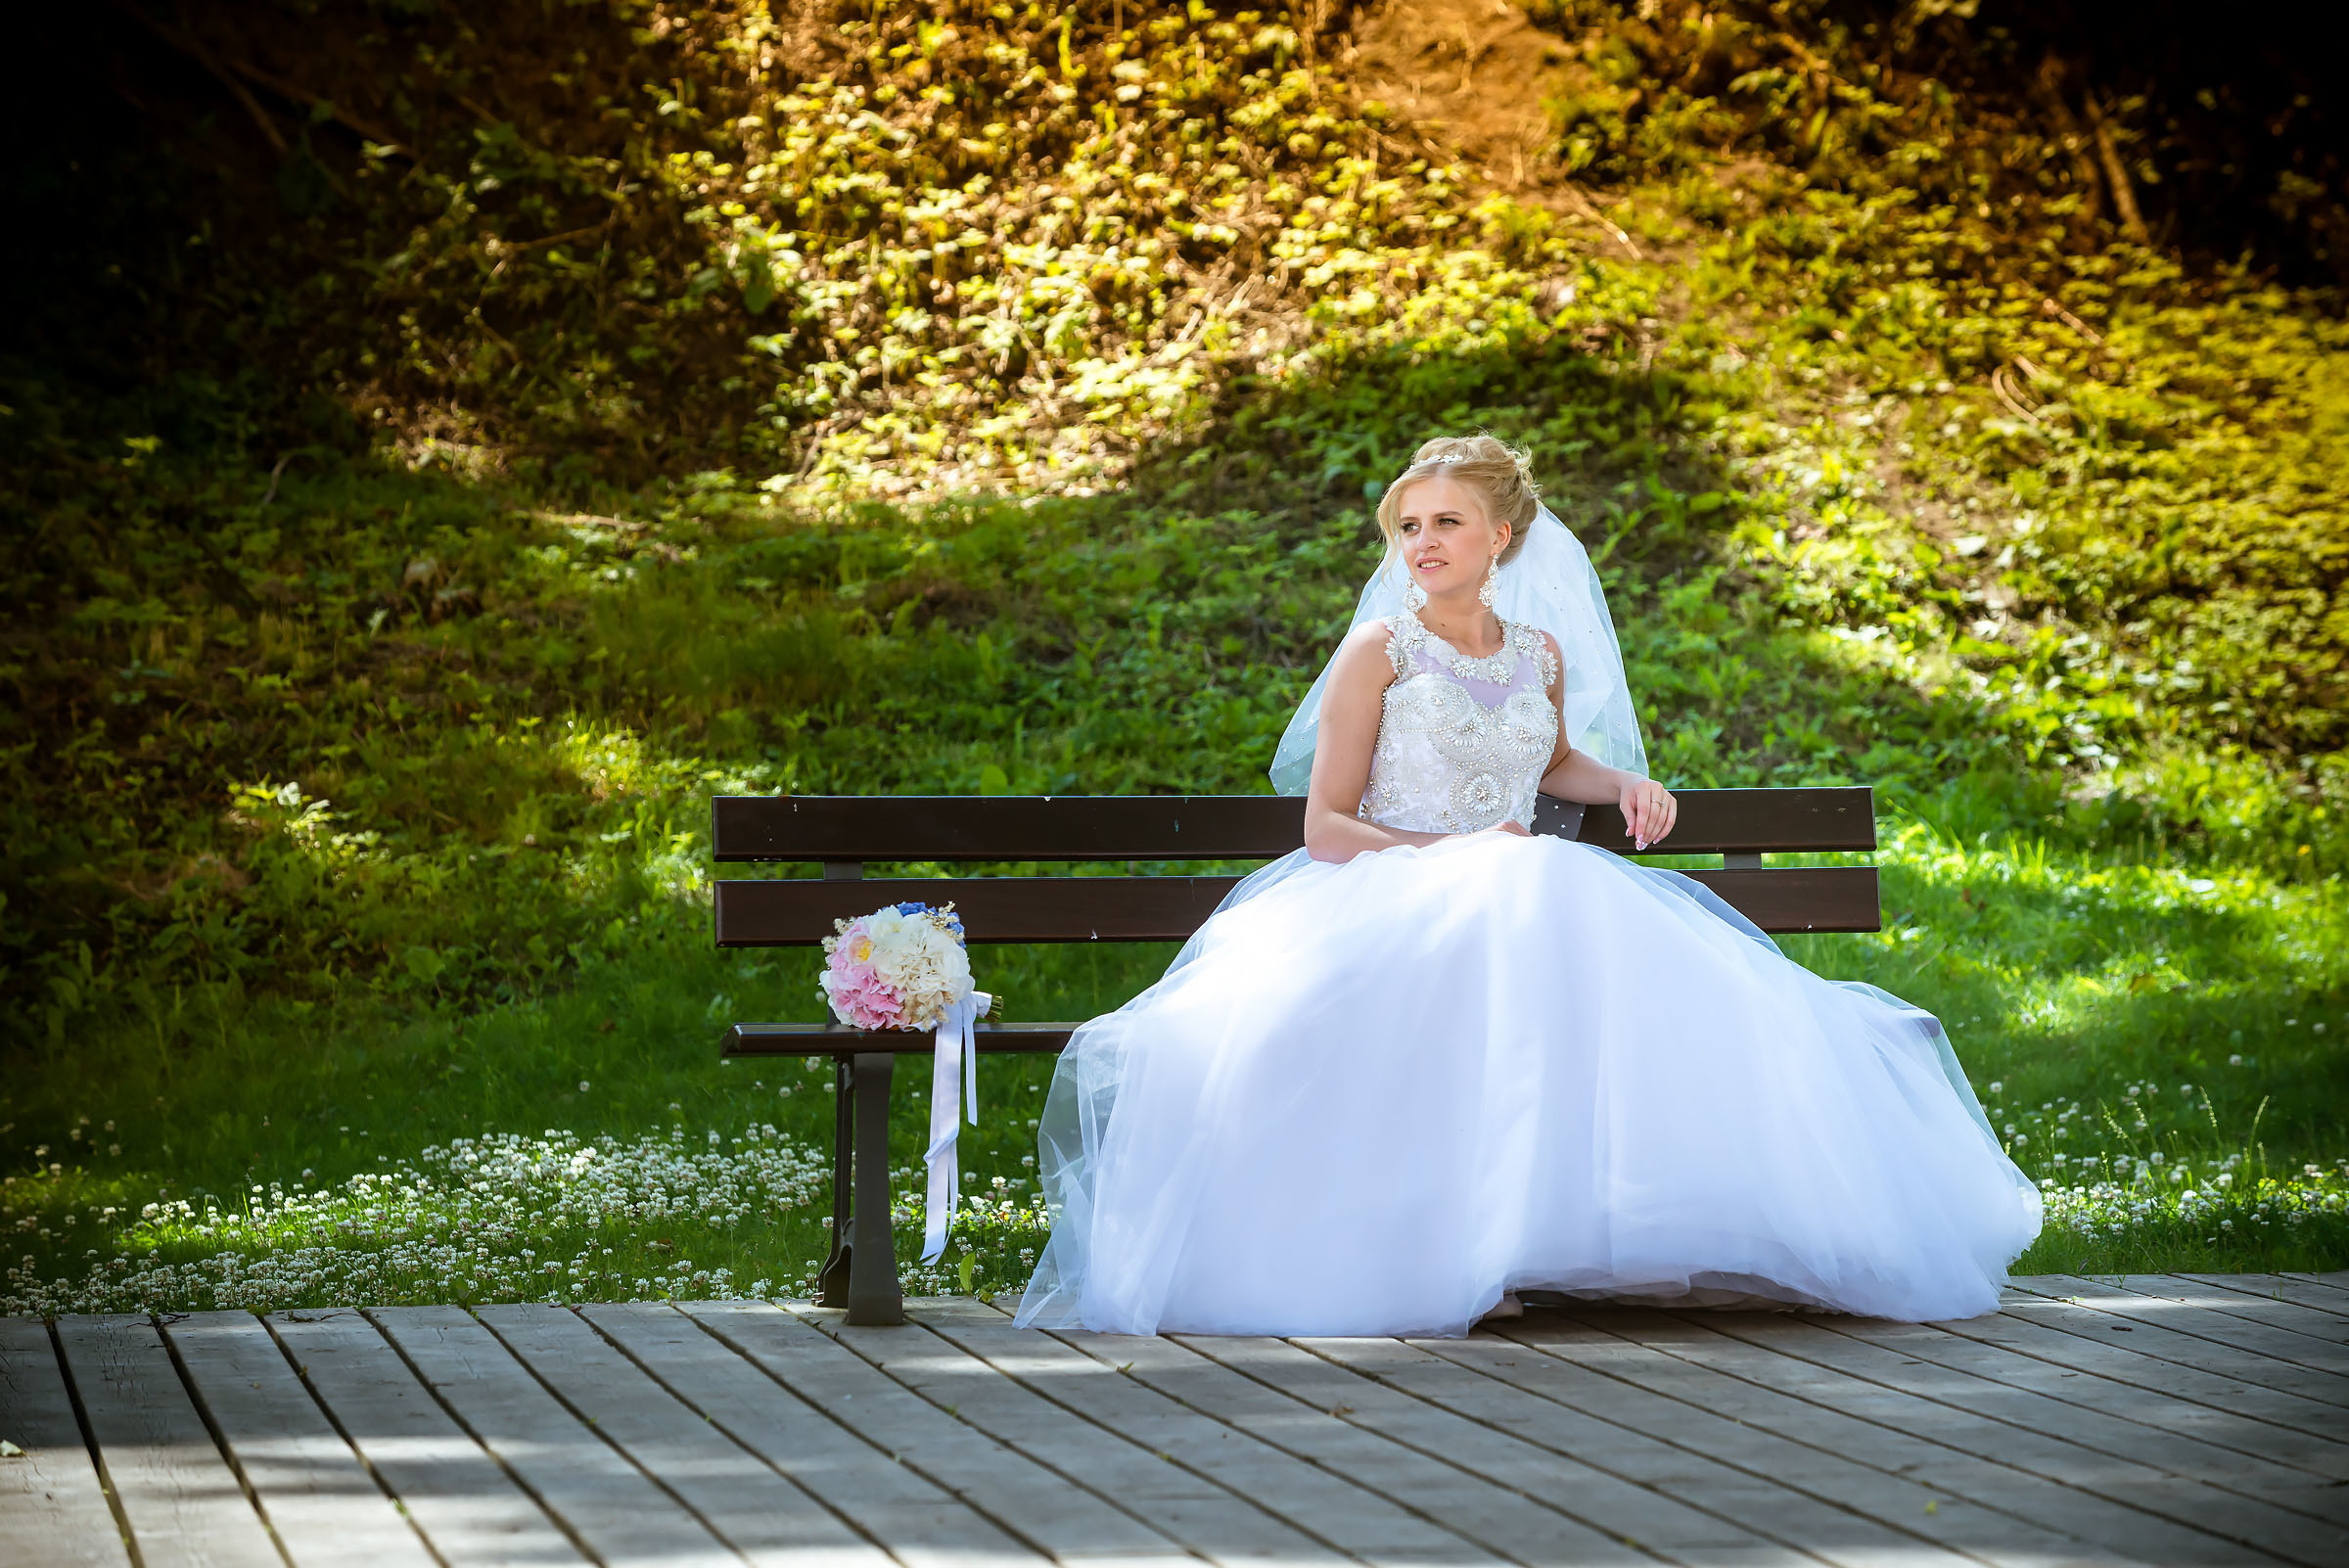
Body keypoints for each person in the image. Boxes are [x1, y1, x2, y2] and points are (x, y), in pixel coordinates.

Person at [1013, 435, 2041, 1337]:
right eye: (1407, 524)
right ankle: (1452, 1253)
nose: (1423, 541)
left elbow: (1550, 766)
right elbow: (1324, 826)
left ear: (1501, 535)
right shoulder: (1377, 649)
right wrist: (1445, 855)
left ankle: (1559, 1241)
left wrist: (1625, 781)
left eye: (1448, 521)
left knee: (1588, 950)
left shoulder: (1537, 654)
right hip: (1394, 883)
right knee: (1481, 936)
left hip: (1517, 876)